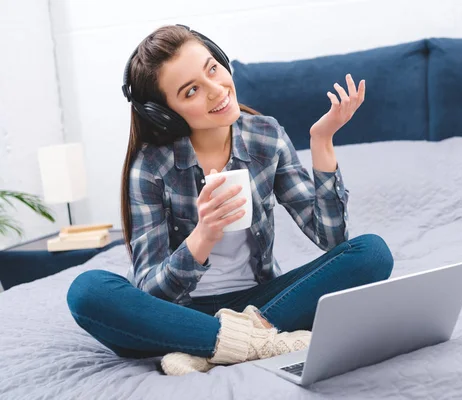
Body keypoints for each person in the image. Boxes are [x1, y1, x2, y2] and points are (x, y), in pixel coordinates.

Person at [66, 24, 394, 376]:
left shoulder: (266, 136)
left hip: (265, 303)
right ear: (166, 113)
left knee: (372, 253)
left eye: (212, 69)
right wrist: (203, 236)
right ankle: (256, 343)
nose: (216, 90)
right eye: (191, 91)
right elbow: (152, 292)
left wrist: (322, 141)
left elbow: (332, 240)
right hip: (176, 315)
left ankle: (209, 349)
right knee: (87, 291)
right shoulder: (151, 166)